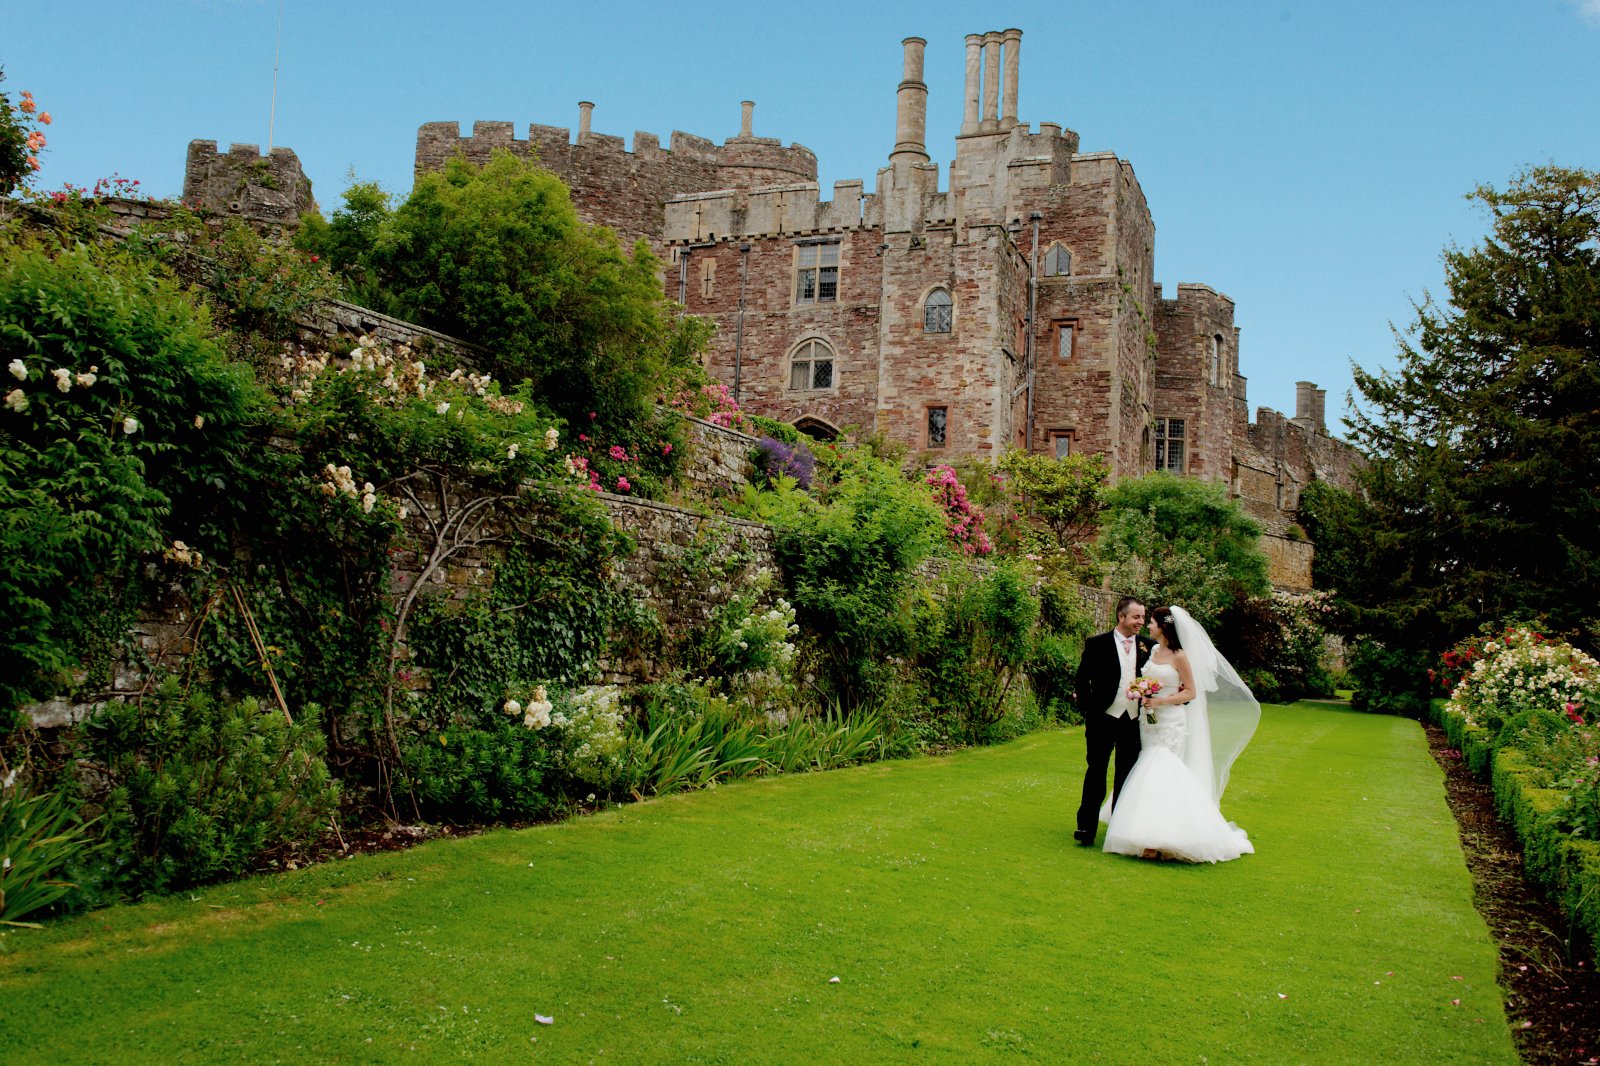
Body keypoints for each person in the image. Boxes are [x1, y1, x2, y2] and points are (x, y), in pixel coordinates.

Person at [1100, 605, 1260, 863]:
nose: (1147, 626)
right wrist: (1142, 693)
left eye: (1151, 622)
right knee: (1147, 767)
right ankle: (1145, 833)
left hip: (1170, 721)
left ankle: (1158, 839)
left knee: (1161, 770)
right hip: (1148, 721)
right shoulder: (1152, 651)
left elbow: (1191, 692)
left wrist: (1161, 702)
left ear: (1164, 626)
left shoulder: (1179, 656)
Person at [1072, 596, 1153, 846]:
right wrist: (1089, 709)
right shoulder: (1097, 643)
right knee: (1096, 770)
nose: (1141, 621)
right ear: (1121, 617)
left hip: (1132, 720)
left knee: (1126, 775)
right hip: (1103, 718)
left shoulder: (1148, 646)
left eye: (1143, 617)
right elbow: (1081, 679)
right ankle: (1086, 828)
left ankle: (1119, 829)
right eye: (1136, 617)